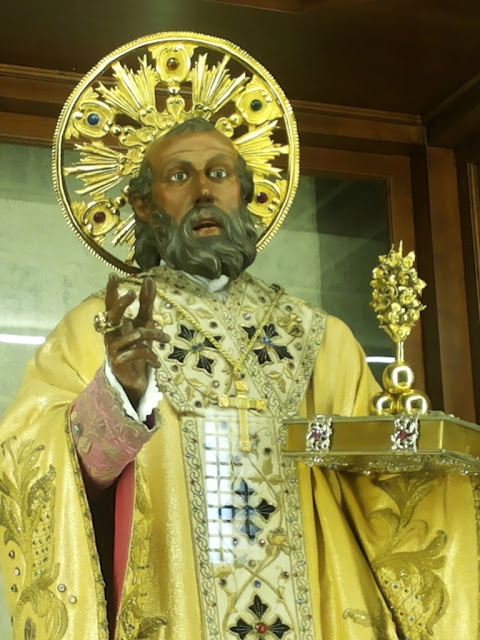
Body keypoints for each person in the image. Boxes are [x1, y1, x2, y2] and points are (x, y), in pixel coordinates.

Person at [1, 40, 478, 640]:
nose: (203, 190)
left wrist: (424, 462)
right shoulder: (100, 327)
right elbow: (34, 472)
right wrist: (117, 398)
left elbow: (377, 498)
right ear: (144, 206)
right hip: (176, 609)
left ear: (245, 194)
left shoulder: (322, 339)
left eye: (219, 173)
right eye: (179, 176)